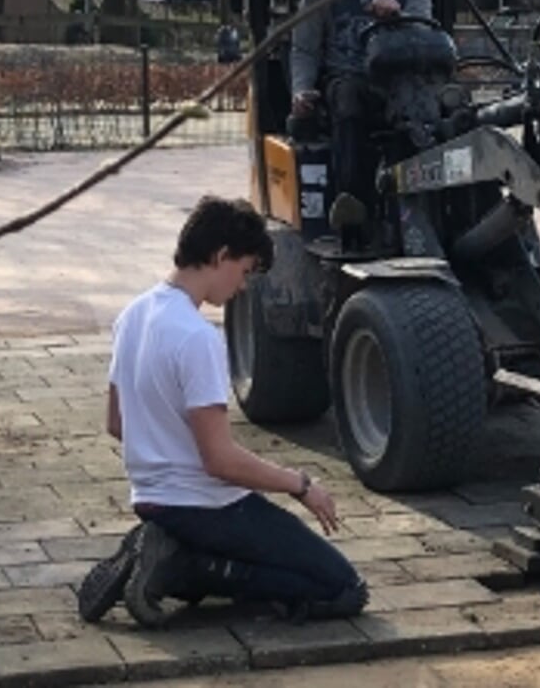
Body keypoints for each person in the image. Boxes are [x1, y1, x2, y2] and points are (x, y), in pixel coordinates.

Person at [76, 196, 368, 627]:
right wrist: (300, 485)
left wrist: (165, 448)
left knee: (279, 560)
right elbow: (220, 461)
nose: (243, 286)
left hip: (152, 501)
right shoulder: (197, 338)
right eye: (245, 270)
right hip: (204, 505)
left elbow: (117, 424)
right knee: (344, 588)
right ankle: (181, 569)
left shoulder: (132, 316)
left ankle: (170, 554)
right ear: (220, 256)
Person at [288, 0, 433, 223]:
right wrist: (300, 89)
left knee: (436, 111)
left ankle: (439, 209)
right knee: (348, 98)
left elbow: (425, 32)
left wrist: (399, 14)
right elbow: (305, 46)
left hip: (402, 76)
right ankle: (353, 208)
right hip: (348, 75)